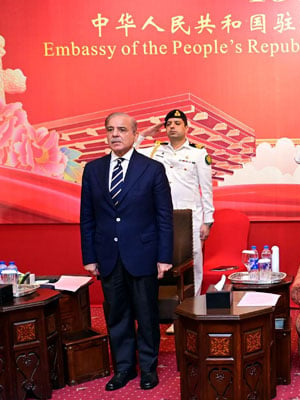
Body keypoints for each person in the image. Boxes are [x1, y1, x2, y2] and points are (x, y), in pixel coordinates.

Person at [80, 112, 173, 391]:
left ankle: (147, 368)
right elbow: (87, 217)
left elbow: (164, 217)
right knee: (116, 315)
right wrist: (90, 257)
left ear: (134, 135)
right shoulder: (93, 170)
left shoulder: (152, 169)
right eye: (110, 129)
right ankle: (123, 368)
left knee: (146, 314)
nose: (115, 134)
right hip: (107, 255)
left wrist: (164, 257)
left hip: (143, 254)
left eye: (122, 129)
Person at [136, 109, 214, 299]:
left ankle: (192, 306)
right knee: (161, 260)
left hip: (190, 217)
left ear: (186, 128)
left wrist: (208, 221)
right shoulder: (156, 150)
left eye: (177, 123)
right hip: (160, 216)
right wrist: (145, 134)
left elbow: (207, 189)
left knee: (193, 261)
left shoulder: (198, 153)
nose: (172, 126)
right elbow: (130, 151)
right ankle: (165, 307)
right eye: (169, 124)